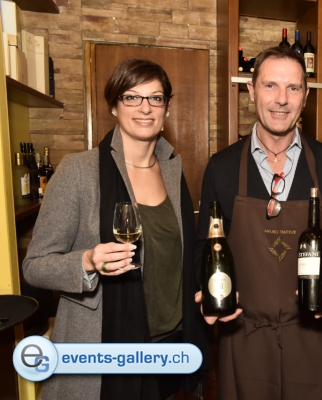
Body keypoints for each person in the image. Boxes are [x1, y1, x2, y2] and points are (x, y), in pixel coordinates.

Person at [22, 58, 211, 400]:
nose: (145, 108)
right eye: (131, 97)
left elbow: (179, 259)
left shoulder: (172, 170)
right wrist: (87, 261)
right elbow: (35, 266)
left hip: (170, 346)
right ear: (114, 106)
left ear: (166, 108)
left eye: (155, 98)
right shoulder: (78, 171)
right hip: (103, 348)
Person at [194, 46, 322, 399]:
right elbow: (203, 249)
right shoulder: (221, 168)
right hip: (243, 335)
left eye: (293, 88)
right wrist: (206, 294)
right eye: (270, 85)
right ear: (251, 90)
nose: (281, 99)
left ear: (306, 95)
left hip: (312, 332)